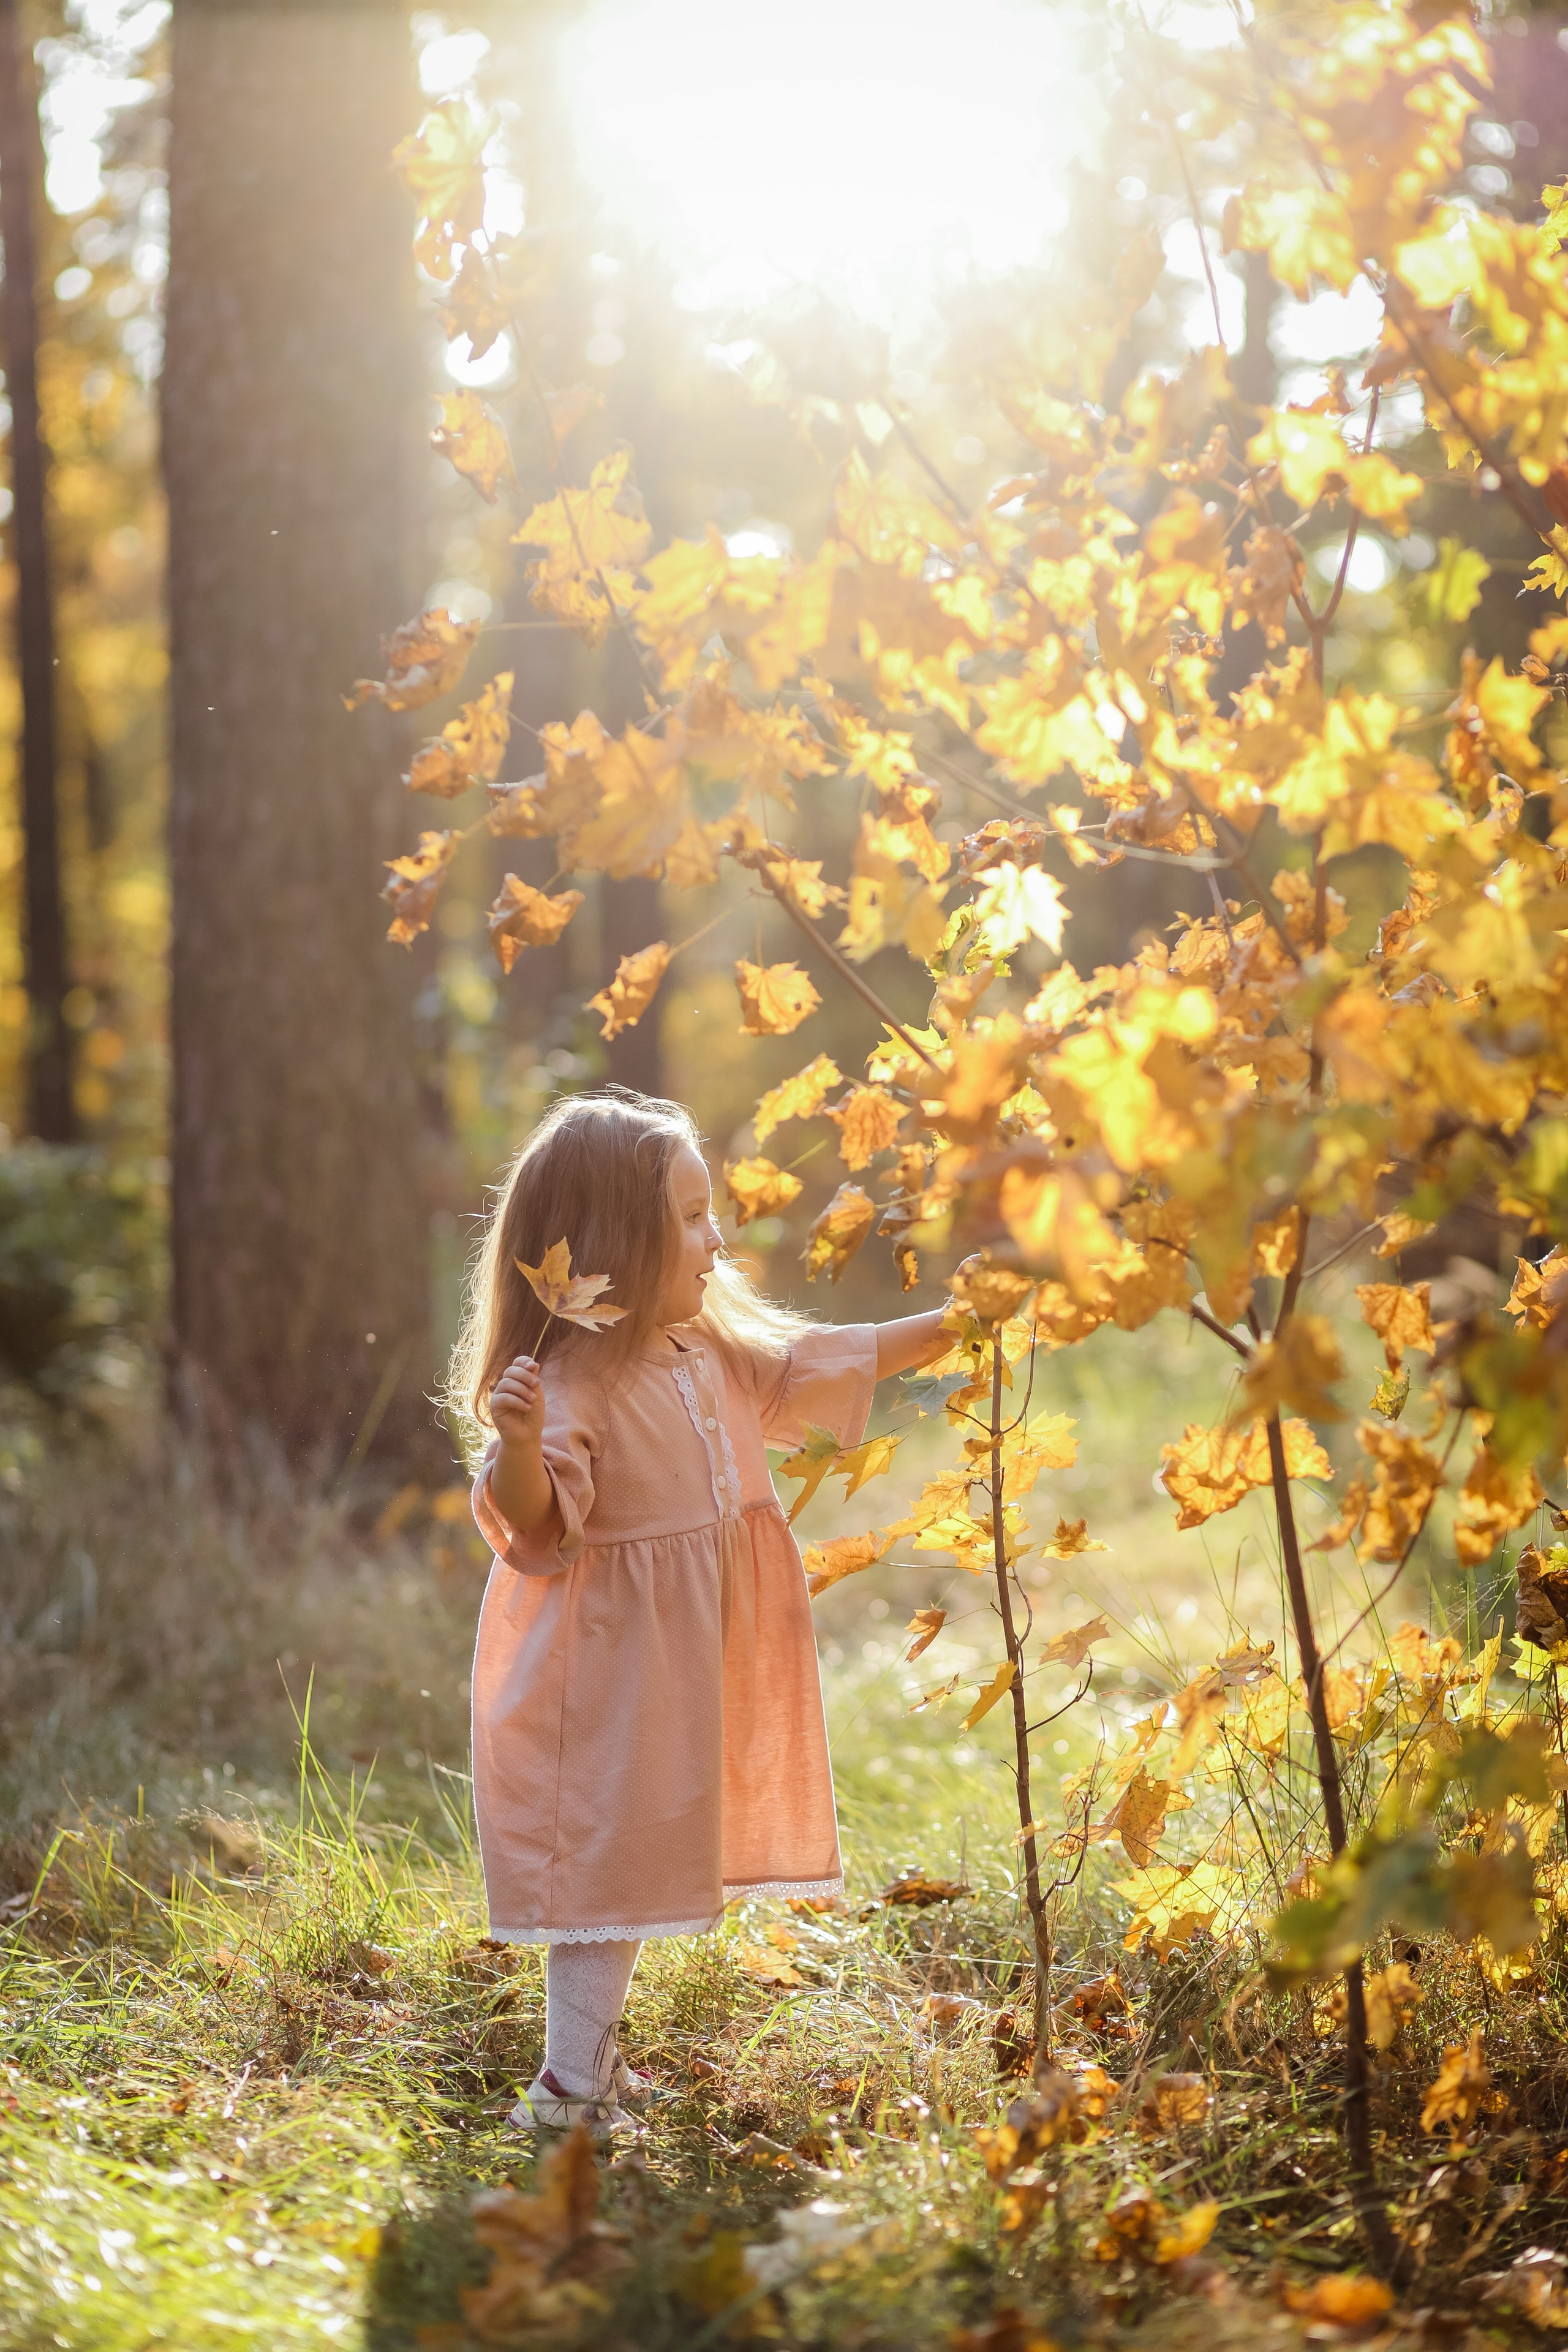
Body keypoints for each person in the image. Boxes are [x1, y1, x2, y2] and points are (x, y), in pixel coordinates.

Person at [450, 1087, 949, 2135]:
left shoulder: (710, 1351)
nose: (715, 1238)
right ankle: (567, 2088)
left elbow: (830, 1359)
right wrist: (518, 1442)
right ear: (612, 1242)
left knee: (643, 1852)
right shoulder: (574, 1382)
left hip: (683, 1659)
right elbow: (538, 1530)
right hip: (610, 1669)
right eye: (688, 1217)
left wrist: (960, 1325)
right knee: (608, 1860)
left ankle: (593, 2065)